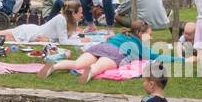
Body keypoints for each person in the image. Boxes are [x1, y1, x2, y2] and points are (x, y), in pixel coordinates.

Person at [39, 20, 174, 83]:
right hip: (115, 53)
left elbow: (110, 38)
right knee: (99, 66)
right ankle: (90, 73)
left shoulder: (122, 35)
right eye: (149, 34)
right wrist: (184, 60)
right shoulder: (139, 45)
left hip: (101, 47)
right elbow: (157, 56)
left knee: (76, 64)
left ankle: (54, 66)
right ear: (139, 33)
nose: (151, 37)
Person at [0, 1, 83, 46]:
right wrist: (80, 42)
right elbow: (64, 42)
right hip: (28, 33)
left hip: (33, 33)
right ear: (73, 13)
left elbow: (65, 38)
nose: (82, 15)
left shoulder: (73, 22)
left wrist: (50, 41)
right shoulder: (61, 19)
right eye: (80, 13)